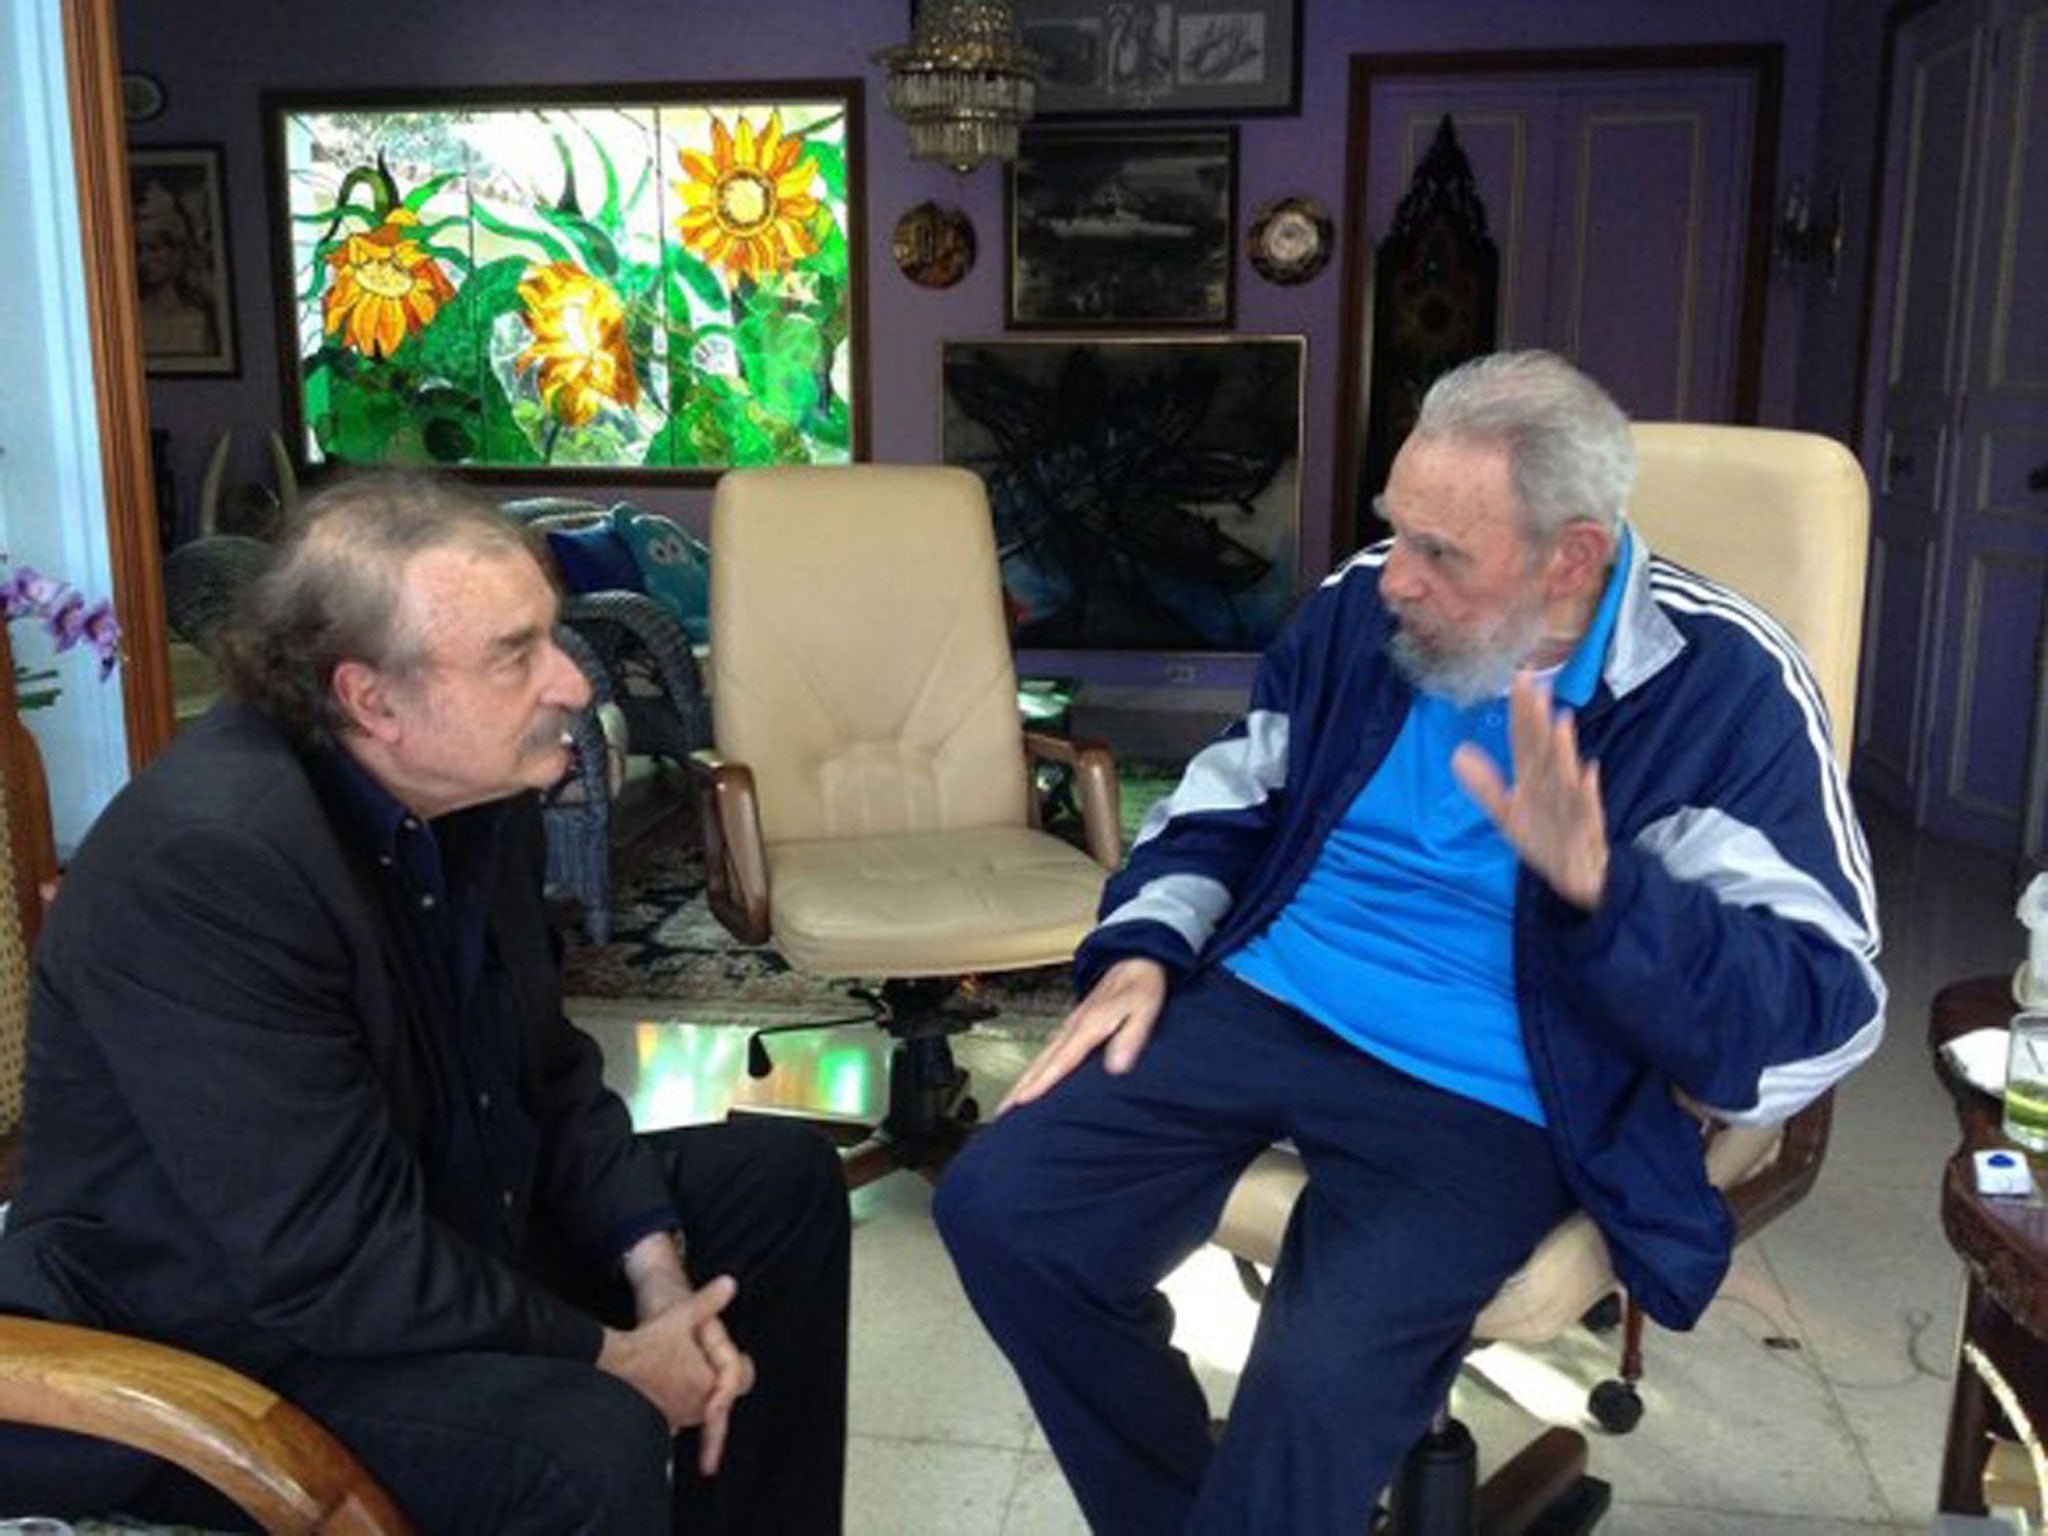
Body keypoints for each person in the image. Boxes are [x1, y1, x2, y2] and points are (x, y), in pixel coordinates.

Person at [935, 351, 1885, 1534]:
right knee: (1003, 1210)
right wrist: (1141, 948)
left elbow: (1823, 1003)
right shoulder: (1356, 607)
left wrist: (1606, 894)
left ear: (1570, 557)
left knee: (1316, 1381)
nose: (1396, 579)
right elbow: (1226, 793)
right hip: (1272, 994)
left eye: (1443, 553)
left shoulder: (1718, 687)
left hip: (1498, 1079)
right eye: (1395, 531)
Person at [0, 473, 850, 1533]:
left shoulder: (471, 794)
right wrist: (615, 1355)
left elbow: (547, 1075)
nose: (574, 686)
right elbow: (328, 1257)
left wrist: (660, 1282)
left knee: (777, 1185)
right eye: (514, 655)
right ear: (371, 700)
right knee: (584, 1439)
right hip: (223, 1333)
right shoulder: (213, 862)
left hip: (425, 1225)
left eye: (550, 637)